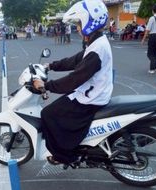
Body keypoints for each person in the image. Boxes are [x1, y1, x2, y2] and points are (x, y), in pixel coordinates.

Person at [33, 0, 113, 165]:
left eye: (79, 23)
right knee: (61, 107)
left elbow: (73, 80)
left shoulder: (96, 49)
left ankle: (63, 156)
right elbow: (76, 60)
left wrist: (45, 85)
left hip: (91, 97)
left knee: (48, 114)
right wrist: (51, 66)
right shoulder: (97, 42)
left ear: (89, 23)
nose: (77, 27)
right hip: (92, 91)